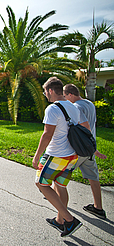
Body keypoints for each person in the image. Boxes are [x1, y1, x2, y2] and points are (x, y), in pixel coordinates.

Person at [33, 77, 87, 237]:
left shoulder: (52, 108)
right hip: (72, 156)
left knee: (41, 184)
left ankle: (70, 220)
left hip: (57, 154)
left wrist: (37, 156)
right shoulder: (74, 107)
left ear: (50, 90)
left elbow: (47, 134)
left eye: (45, 92)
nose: (45, 96)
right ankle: (60, 220)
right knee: (60, 186)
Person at [63, 84, 107, 219]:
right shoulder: (89, 104)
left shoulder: (76, 107)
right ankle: (98, 207)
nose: (65, 99)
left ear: (70, 95)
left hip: (79, 148)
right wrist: (94, 148)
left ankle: (56, 198)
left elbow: (77, 128)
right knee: (93, 177)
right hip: (90, 148)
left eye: (65, 96)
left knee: (61, 172)